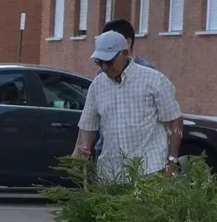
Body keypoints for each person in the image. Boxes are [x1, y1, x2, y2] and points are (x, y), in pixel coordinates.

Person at [73, 30, 184, 182]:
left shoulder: (153, 79)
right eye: (99, 62)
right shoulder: (97, 86)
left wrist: (172, 161)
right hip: (111, 173)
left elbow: (175, 120)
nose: (104, 67)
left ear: (124, 54)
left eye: (109, 62)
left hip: (150, 169)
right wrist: (83, 148)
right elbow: (88, 125)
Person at [94, 19, 157, 158]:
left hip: (137, 153)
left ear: (127, 43)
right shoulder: (101, 73)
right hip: (106, 148)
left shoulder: (148, 72)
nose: (105, 66)